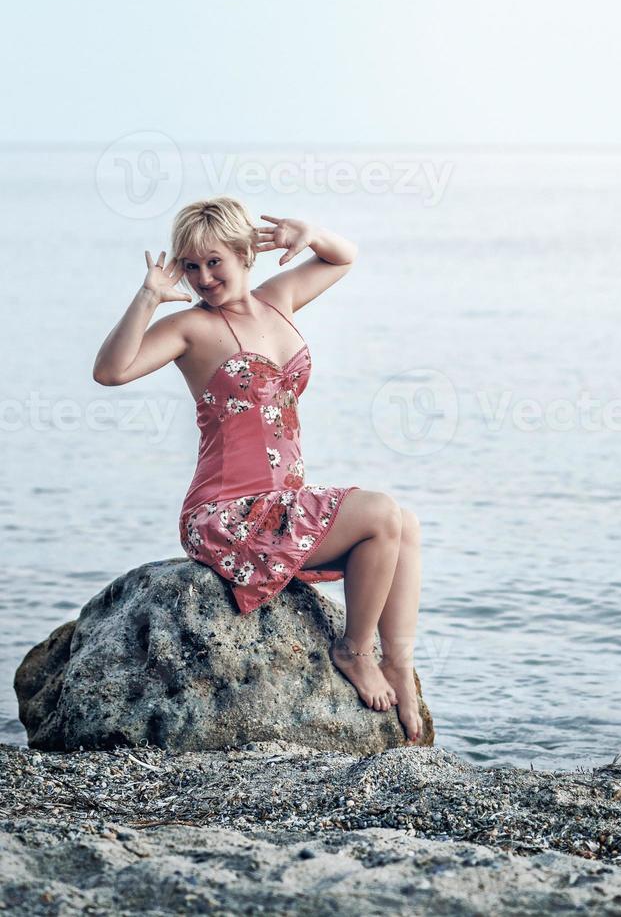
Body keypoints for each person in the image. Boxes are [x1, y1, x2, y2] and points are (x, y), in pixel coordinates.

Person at [93, 196, 423, 742]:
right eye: (192, 265)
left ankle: (400, 668)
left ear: (246, 253)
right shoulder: (189, 329)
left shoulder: (280, 300)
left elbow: (344, 258)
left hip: (283, 504)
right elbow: (110, 371)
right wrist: (150, 295)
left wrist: (312, 232)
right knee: (380, 512)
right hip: (226, 513)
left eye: (214, 261)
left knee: (404, 524)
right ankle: (353, 649)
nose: (202, 277)